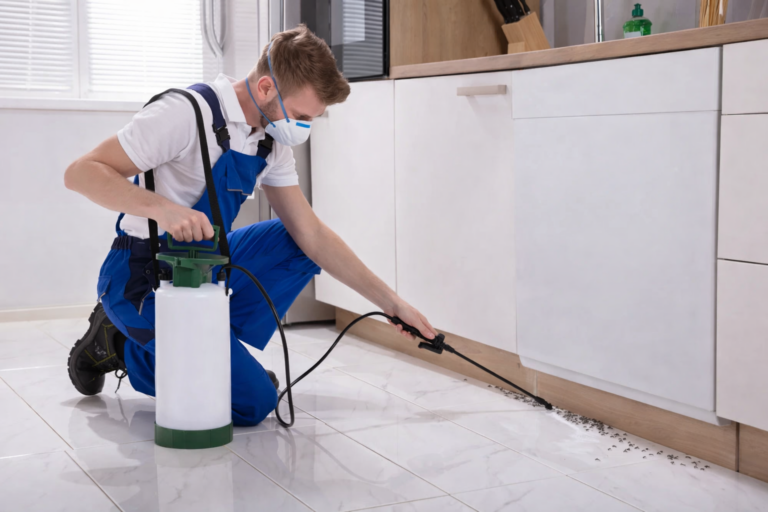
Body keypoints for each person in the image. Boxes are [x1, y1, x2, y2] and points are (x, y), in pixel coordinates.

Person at [63, 25, 436, 427]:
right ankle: (118, 345)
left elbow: (312, 235)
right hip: (141, 276)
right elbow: (80, 173)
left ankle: (213, 350)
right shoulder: (186, 113)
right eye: (301, 116)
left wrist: (392, 304)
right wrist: (164, 210)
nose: (303, 127)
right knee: (253, 403)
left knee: (295, 242)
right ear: (265, 87)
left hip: (206, 265)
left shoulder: (270, 142)